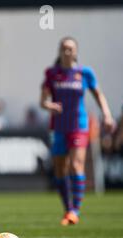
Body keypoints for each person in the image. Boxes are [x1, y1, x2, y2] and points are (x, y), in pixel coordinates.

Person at [40, 36, 115, 226]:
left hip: (78, 126)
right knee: (60, 169)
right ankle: (67, 209)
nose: (67, 52)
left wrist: (106, 114)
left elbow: (99, 95)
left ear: (76, 51)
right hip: (58, 127)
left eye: (70, 48)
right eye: (64, 48)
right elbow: (42, 101)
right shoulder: (52, 73)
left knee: (76, 165)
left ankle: (75, 210)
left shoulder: (85, 73)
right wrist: (50, 106)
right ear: (59, 51)